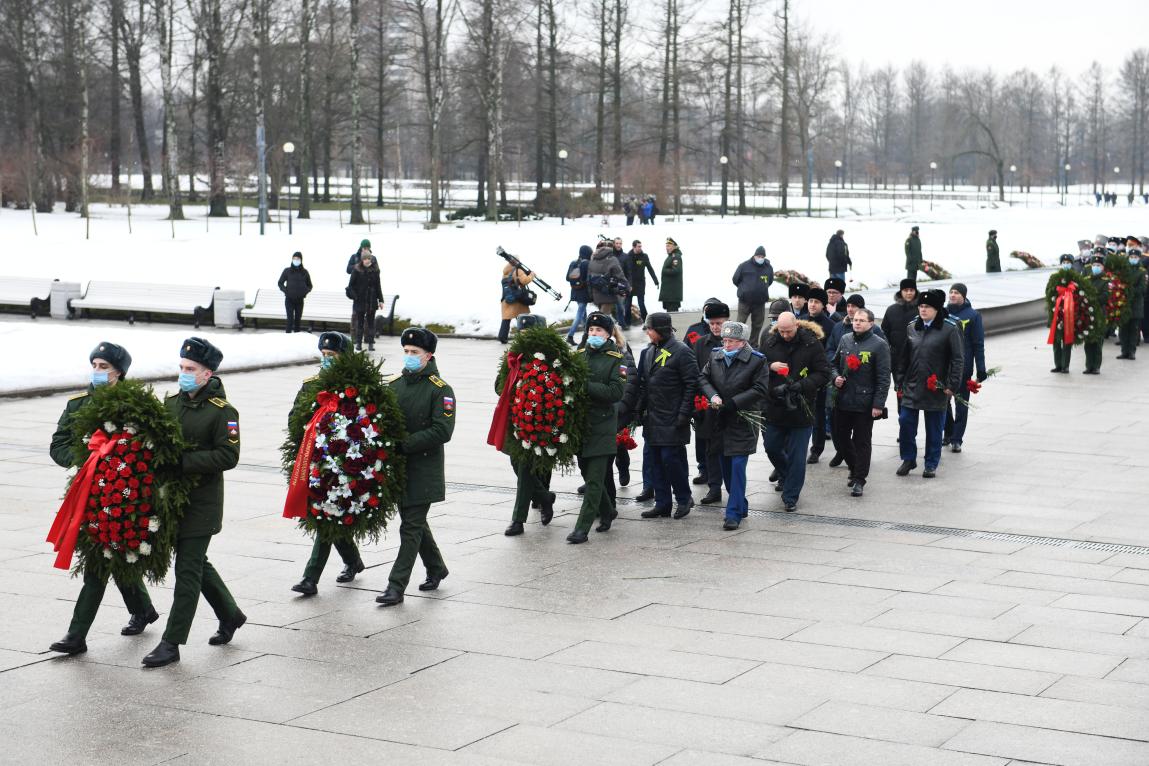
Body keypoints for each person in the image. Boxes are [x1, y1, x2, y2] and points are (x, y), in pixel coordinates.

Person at [48, 343, 159, 657]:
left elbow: (151, 447)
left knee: (103, 559)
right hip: (88, 493)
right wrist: (85, 459)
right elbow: (58, 445)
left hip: (125, 494)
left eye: (104, 367)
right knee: (108, 554)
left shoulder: (136, 406)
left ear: (119, 372)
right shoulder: (77, 405)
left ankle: (76, 634)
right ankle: (143, 609)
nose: (97, 371)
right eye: (94, 365)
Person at [142, 338, 244, 668]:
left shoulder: (223, 412)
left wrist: (183, 462)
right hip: (172, 501)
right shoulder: (172, 403)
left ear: (207, 374)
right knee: (197, 563)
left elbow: (229, 455)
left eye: (191, 370)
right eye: (182, 368)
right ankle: (230, 614)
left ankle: (171, 642)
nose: (184, 374)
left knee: (186, 570)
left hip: (202, 504)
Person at [376, 328, 454, 605]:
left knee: (410, 527)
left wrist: (404, 443)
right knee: (415, 523)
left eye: (415, 353)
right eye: (406, 352)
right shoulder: (395, 384)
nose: (409, 357)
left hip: (424, 469)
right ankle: (436, 567)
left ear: (429, 355)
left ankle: (396, 586)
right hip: (399, 468)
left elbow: (442, 430)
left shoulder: (440, 389)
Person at [290, 332, 366, 597]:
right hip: (314, 461)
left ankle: (310, 578)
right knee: (327, 514)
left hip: (344, 461)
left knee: (326, 514)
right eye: (323, 356)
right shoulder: (311, 384)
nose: (326, 361)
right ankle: (353, 560)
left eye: (332, 356)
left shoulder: (356, 389)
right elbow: (294, 419)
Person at [622, 312, 698, 519]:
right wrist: (638, 409)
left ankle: (683, 499)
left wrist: (684, 413)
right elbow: (644, 384)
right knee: (655, 462)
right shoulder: (648, 352)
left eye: (650, 328)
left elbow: (692, 384)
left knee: (671, 461)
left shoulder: (682, 351)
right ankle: (662, 503)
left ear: (661, 330)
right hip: (653, 418)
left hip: (673, 417)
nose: (647, 332)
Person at [698, 322, 769, 530]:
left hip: (742, 420)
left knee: (738, 466)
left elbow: (760, 388)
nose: (726, 344)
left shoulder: (756, 360)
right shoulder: (716, 355)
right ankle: (741, 503)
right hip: (721, 420)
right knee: (726, 467)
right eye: (725, 340)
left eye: (731, 341)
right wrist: (713, 396)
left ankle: (733, 513)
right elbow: (703, 377)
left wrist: (734, 403)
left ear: (743, 342)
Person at [760, 313, 830, 512]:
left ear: (796, 325)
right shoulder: (770, 342)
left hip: (801, 407)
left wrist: (802, 386)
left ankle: (790, 496)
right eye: (781, 331)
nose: (785, 335)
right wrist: (769, 366)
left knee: (798, 456)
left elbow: (823, 373)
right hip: (775, 406)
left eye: (788, 331)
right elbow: (755, 366)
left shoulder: (811, 343)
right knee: (771, 447)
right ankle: (786, 475)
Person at [567, 313, 627, 544]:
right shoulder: (580, 355)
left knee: (594, 480)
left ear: (608, 333)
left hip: (602, 425)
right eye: (591, 330)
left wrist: (585, 386)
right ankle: (608, 510)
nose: (593, 334)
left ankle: (581, 529)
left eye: (599, 331)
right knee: (586, 471)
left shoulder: (616, 359)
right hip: (581, 426)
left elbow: (615, 392)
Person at [893, 289, 963, 479]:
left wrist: (952, 384)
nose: (923, 310)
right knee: (905, 422)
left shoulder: (949, 329)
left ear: (937, 309)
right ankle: (908, 458)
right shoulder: (912, 327)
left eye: (927, 307)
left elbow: (958, 359)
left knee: (934, 428)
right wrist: (899, 380)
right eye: (921, 306)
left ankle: (931, 463)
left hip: (936, 387)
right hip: (912, 385)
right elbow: (904, 356)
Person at [829, 309, 891, 497]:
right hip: (843, 399)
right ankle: (854, 466)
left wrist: (878, 405)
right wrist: (836, 378)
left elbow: (883, 378)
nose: (857, 323)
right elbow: (833, 364)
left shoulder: (879, 345)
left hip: (865, 402)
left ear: (871, 323)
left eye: (862, 320)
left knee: (862, 441)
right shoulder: (846, 339)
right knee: (840, 438)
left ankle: (859, 479)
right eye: (855, 320)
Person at [691, 301, 731, 505]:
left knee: (730, 449)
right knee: (710, 448)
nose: (716, 327)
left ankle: (733, 487)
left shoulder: (736, 341)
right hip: (707, 405)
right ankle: (714, 488)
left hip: (731, 405)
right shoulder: (700, 344)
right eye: (712, 323)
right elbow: (696, 374)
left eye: (719, 322)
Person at [943, 283, 987, 453]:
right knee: (943, 402)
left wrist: (980, 367)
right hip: (945, 366)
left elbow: (978, 343)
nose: (953, 295)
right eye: (951, 292)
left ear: (964, 296)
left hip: (964, 367)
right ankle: (948, 432)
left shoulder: (973, 315)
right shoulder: (943, 314)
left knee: (961, 403)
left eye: (956, 293)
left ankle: (957, 439)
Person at [803, 287, 836, 465]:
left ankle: (816, 448)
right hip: (800, 375)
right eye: (810, 301)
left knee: (818, 413)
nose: (812, 305)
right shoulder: (800, 322)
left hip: (819, 376)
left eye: (816, 302)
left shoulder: (830, 326)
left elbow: (830, 352)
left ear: (823, 305)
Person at [732, 246, 774, 346]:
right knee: (740, 323)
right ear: (754, 255)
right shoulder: (744, 266)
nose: (760, 258)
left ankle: (753, 344)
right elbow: (735, 279)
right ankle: (737, 343)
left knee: (757, 325)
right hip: (744, 301)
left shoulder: (768, 267)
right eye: (758, 256)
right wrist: (744, 289)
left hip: (760, 302)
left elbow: (770, 281)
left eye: (762, 256)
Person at [347, 250, 383, 351]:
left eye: (368, 258)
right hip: (360, 300)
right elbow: (350, 286)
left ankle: (371, 343)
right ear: (362, 260)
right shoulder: (357, 270)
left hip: (371, 300)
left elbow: (378, 286)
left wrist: (380, 300)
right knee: (360, 323)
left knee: (371, 323)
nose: (367, 260)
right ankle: (358, 343)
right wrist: (356, 297)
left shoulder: (375, 270)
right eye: (365, 259)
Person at [1117, 245, 1147, 361]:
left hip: (1136, 305)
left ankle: (1132, 352)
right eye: (1131, 256)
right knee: (1123, 329)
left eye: (1135, 257)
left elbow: (1142, 289)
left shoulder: (1142, 271)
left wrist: (1129, 290)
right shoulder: (1123, 270)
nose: (1133, 258)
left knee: (1133, 330)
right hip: (1123, 304)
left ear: (1139, 258)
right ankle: (1124, 351)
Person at [881, 279, 919, 368]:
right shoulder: (891, 310)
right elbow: (884, 333)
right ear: (901, 292)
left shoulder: (921, 309)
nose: (909, 293)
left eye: (911, 290)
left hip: (917, 357)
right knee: (899, 382)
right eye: (906, 290)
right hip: (896, 358)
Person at [498, 260, 536, 344]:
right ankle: (524, 337)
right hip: (517, 300)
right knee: (523, 318)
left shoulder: (505, 272)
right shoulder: (518, 270)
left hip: (506, 299)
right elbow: (525, 281)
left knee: (506, 319)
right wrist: (532, 275)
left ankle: (502, 337)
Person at [1083, 252, 1110, 374]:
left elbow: (1105, 297)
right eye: (1094, 264)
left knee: (1098, 342)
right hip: (1087, 315)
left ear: (1102, 267)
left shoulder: (1105, 281)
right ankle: (1089, 365)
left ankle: (1096, 366)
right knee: (1088, 341)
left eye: (1098, 265)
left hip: (1099, 314)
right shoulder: (1086, 279)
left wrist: (1092, 298)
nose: (1096, 267)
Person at [624, 239, 659, 322]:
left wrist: (656, 281)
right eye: (638, 246)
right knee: (627, 304)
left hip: (640, 283)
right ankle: (627, 322)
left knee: (641, 303)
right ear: (633, 247)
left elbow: (650, 269)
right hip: (630, 284)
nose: (640, 248)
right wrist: (627, 284)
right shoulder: (628, 257)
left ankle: (646, 321)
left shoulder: (644, 256)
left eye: (641, 246)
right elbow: (626, 272)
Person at [588, 239, 626, 316]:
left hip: (598, 292)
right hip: (605, 292)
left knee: (604, 315)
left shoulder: (594, 258)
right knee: (603, 317)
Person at [278, 251, 313, 333]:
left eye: (297, 259)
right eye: (294, 258)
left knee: (298, 322)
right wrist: (286, 291)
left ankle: (296, 341)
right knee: (289, 321)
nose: (295, 260)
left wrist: (304, 293)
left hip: (299, 301)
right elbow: (280, 283)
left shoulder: (305, 272)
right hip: (289, 300)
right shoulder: (287, 271)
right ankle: (287, 338)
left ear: (301, 260)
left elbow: (310, 285)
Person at [565, 245, 593, 345]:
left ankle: (587, 335)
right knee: (580, 314)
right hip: (584, 293)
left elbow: (567, 278)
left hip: (575, 292)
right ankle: (570, 335)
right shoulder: (587, 264)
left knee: (583, 314)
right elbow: (589, 279)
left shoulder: (573, 263)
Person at [659, 238, 684, 312]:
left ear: (674, 246)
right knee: (670, 313)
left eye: (669, 246)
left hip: (672, 293)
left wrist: (664, 271)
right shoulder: (670, 256)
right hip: (669, 293)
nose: (667, 248)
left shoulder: (676, 256)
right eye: (666, 246)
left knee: (673, 314)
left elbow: (676, 270)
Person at [612, 237, 632, 329]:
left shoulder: (625, 256)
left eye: (620, 243)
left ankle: (622, 323)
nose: (618, 245)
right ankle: (619, 322)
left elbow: (629, 272)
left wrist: (629, 284)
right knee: (616, 305)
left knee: (620, 305)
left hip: (622, 284)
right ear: (614, 244)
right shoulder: (610, 256)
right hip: (611, 284)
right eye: (617, 243)